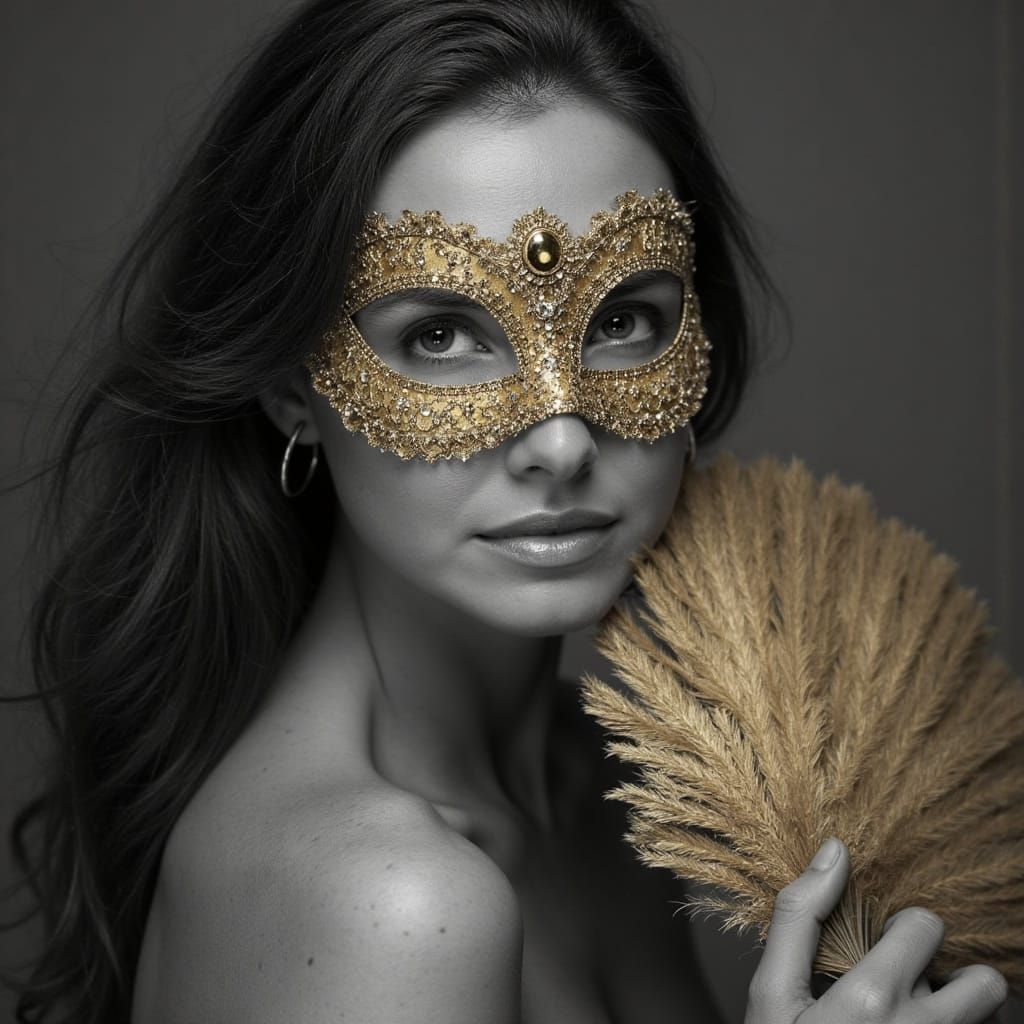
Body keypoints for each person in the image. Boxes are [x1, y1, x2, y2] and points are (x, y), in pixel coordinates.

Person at [5, 0, 1010, 1022]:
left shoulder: (605, 789)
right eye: (441, 335)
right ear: (289, 382)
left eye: (621, 319)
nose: (563, 441)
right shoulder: (388, 902)